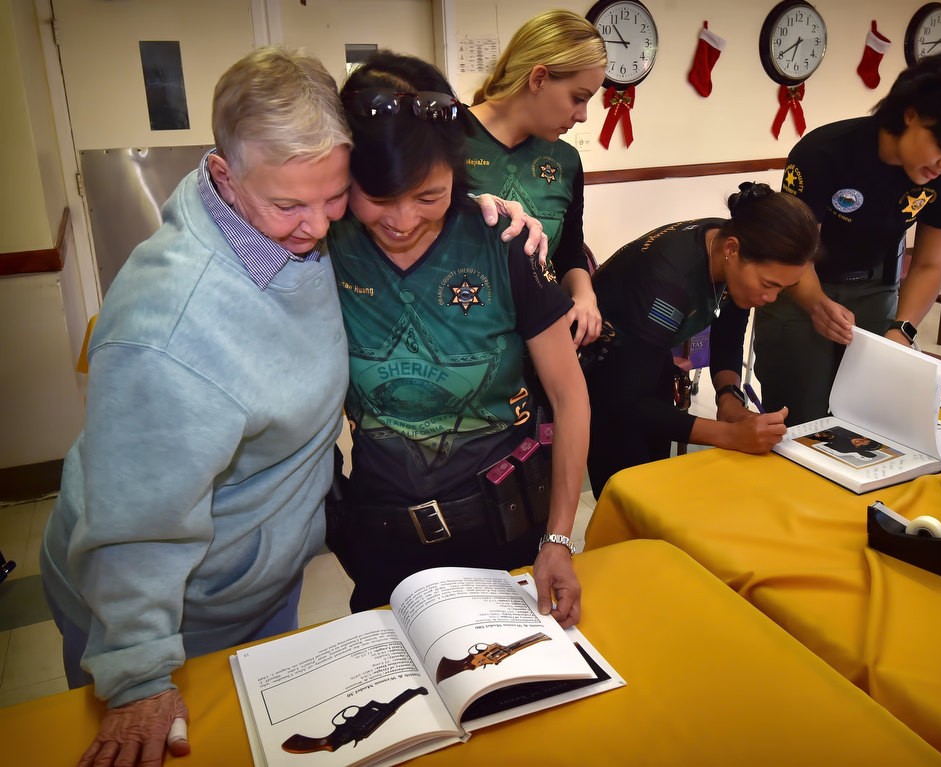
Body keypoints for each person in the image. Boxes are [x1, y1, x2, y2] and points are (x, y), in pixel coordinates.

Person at [39, 46, 545, 767]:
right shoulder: (171, 331)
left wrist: (474, 214)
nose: (317, 226)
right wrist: (137, 674)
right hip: (163, 606)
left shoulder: (281, 206)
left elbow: (398, 206)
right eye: (288, 206)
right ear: (224, 174)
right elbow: (135, 519)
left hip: (261, 568)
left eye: (334, 197)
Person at [327, 51, 589, 626]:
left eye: (428, 196)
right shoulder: (322, 241)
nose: (400, 220)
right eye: (378, 197)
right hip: (380, 533)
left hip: (502, 528)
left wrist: (559, 539)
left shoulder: (503, 242)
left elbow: (570, 397)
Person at [754, 47, 941, 425]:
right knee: (799, 420)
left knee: (869, 422)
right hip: (799, 286)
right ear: (911, 115)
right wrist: (816, 304)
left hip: (876, 290)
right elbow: (792, 254)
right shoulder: (825, 152)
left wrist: (901, 330)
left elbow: (929, 262)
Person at [584, 183, 820, 497]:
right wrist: (730, 435)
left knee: (655, 484)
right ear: (732, 250)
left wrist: (729, 399)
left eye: (782, 289)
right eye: (768, 284)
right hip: (601, 376)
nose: (772, 298)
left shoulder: (729, 243)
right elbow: (627, 402)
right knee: (627, 497)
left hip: (644, 361)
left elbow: (729, 330)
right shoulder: (667, 285)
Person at [466, 9, 607, 348]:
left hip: (540, 346)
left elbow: (570, 251)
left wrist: (585, 292)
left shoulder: (566, 160)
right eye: (579, 98)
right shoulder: (446, 137)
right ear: (539, 78)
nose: (583, 116)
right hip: (461, 344)